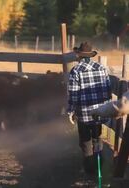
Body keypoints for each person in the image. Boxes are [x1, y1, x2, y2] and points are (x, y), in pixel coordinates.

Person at [67, 42, 111, 175]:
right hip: (100, 111)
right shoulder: (101, 68)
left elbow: (73, 94)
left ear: (79, 55)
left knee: (85, 141)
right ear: (91, 55)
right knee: (97, 139)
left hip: (84, 113)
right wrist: (107, 109)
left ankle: (88, 169)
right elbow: (108, 90)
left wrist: (70, 111)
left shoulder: (76, 71)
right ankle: (99, 167)